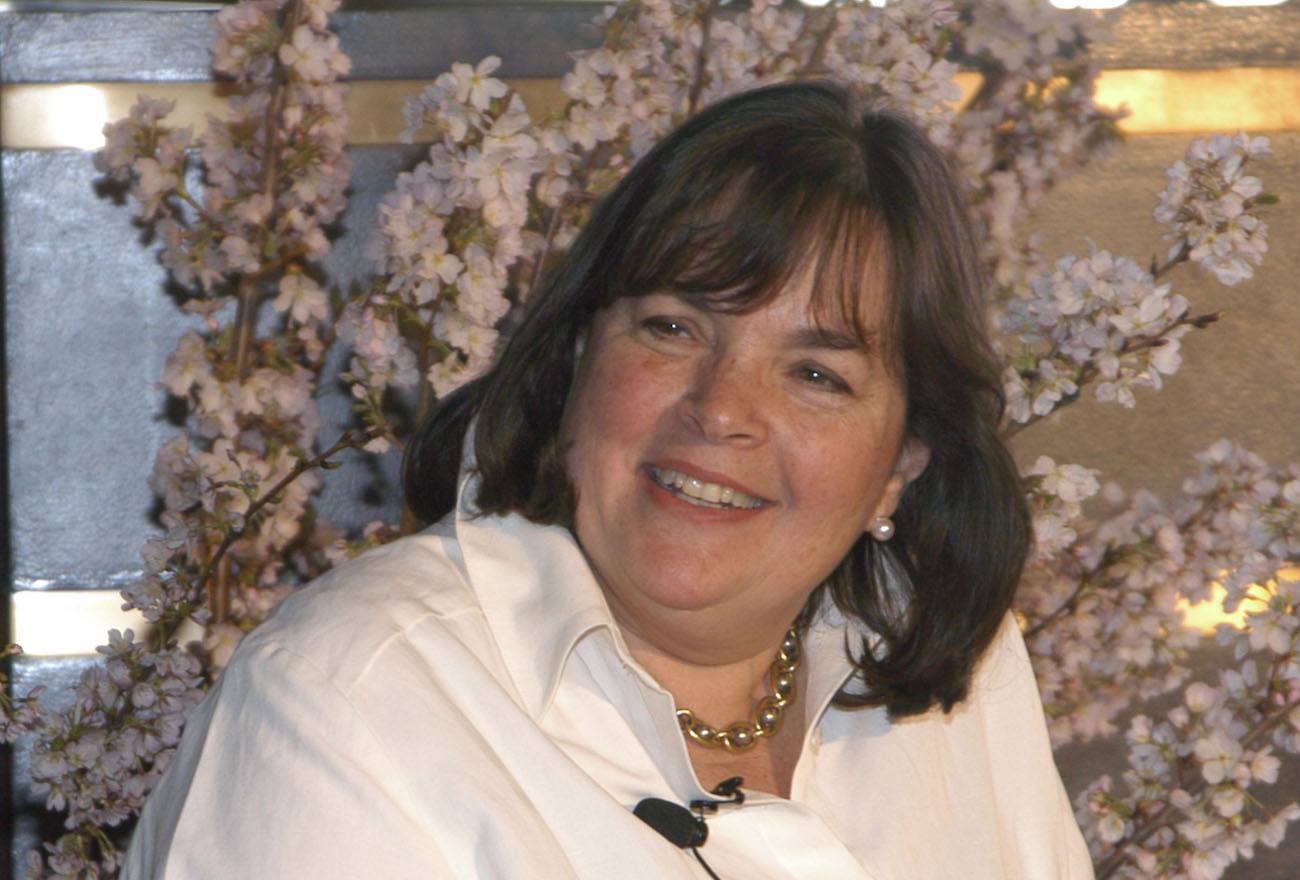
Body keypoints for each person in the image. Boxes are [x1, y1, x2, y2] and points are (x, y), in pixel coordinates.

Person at [124, 80, 1093, 879]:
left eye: (815, 374)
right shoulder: (345, 701)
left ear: (903, 465)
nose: (720, 409)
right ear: (579, 354)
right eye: (673, 327)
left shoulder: (963, 671)